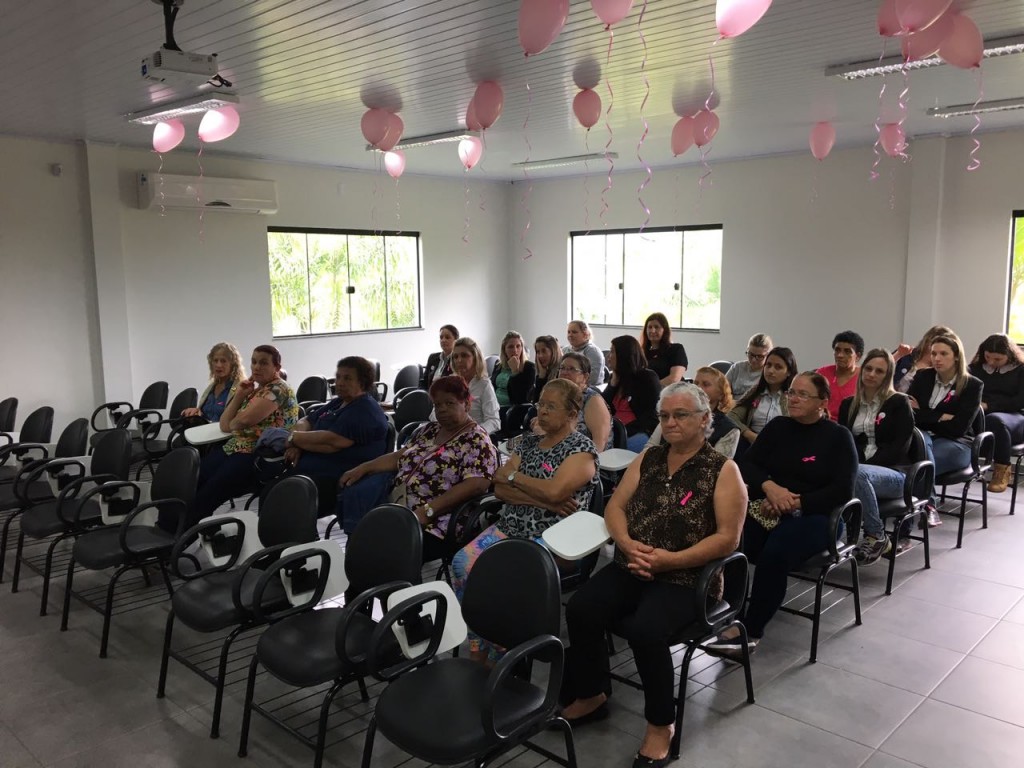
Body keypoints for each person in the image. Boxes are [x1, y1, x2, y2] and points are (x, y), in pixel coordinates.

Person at [560, 382, 746, 767]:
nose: (670, 423)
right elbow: (615, 507)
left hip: (688, 578)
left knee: (646, 630)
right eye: (664, 416)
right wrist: (627, 544)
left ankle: (661, 724)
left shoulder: (723, 470)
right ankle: (592, 693)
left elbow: (727, 538)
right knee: (581, 608)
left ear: (705, 420)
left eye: (681, 415)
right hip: (634, 562)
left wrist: (669, 560)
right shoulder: (648, 458)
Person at [708, 372, 857, 657]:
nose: (794, 399)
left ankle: (750, 631)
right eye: (791, 393)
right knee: (730, 538)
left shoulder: (838, 437)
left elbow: (842, 490)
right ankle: (727, 609)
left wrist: (795, 502)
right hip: (768, 506)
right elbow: (747, 465)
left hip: (818, 516)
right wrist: (770, 488)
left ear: (822, 402)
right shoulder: (778, 427)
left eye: (803, 394)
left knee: (775, 553)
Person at [451, 379, 598, 662]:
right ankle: (481, 643)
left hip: (551, 538)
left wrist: (515, 478)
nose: (542, 411)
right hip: (510, 527)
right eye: (541, 403)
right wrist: (541, 499)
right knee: (462, 563)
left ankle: (497, 653)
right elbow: (499, 486)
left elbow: (556, 491)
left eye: (551, 406)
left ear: (571, 414)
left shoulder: (581, 449)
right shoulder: (529, 441)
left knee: (497, 578)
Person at [338, 376, 498, 552]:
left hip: (438, 519)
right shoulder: (429, 430)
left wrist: (429, 510)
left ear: (466, 404)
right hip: (398, 502)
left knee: (377, 542)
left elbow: (476, 485)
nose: (442, 409)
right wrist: (364, 467)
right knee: (360, 507)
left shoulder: (477, 440)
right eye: (437, 404)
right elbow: (399, 456)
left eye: (450, 403)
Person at [185, 345, 299, 528]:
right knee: (196, 477)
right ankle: (177, 525)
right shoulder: (256, 390)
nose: (256, 367)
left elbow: (241, 422)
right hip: (236, 446)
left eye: (263, 363)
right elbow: (225, 425)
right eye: (254, 362)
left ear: (276, 367)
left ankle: (182, 531)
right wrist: (239, 395)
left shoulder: (278, 389)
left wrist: (235, 422)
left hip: (258, 453)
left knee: (211, 490)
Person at [278, 356, 389, 516]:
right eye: (338, 377)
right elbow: (306, 420)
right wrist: (297, 444)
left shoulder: (365, 410)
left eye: (347, 378)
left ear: (362, 382)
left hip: (338, 479)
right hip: (309, 470)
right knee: (272, 492)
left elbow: (330, 443)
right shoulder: (339, 402)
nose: (340, 382)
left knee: (283, 503)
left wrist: (292, 438)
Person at [838, 350, 915, 565]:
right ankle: (826, 535)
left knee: (857, 474)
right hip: (858, 471)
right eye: (869, 369)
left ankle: (876, 535)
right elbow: (844, 442)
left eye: (879, 371)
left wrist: (861, 466)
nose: (872, 374)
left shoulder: (899, 402)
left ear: (888, 375)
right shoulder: (849, 404)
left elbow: (900, 448)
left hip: (894, 473)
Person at [907, 333, 983, 526]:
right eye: (933, 353)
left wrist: (924, 414)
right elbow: (909, 414)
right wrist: (940, 416)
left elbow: (959, 428)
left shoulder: (972, 385)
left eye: (943, 354)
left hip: (958, 443)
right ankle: (929, 507)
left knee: (916, 464)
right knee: (919, 452)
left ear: (956, 356)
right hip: (924, 437)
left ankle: (912, 511)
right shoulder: (923, 376)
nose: (937, 359)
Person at [969, 334, 1024, 493]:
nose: (991, 362)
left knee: (995, 420)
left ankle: (1002, 469)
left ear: (1009, 355)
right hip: (982, 415)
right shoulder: (975, 369)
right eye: (988, 357)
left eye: (997, 359)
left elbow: (1019, 401)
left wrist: (989, 405)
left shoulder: (1021, 370)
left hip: (1014, 416)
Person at [647, 366, 740, 458]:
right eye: (696, 383)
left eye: (706, 384)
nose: (698, 387)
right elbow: (650, 447)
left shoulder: (729, 430)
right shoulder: (671, 412)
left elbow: (719, 465)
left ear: (721, 394)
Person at [727, 347, 798, 447]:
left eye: (778, 367)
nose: (770, 371)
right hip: (753, 445)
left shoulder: (793, 397)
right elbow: (732, 416)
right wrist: (749, 434)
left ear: (789, 372)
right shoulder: (755, 392)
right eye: (768, 365)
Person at [602, 336, 661, 453]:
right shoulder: (616, 377)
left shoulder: (647, 378)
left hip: (639, 431)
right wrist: (613, 384)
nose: (608, 356)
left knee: (610, 450)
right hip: (614, 429)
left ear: (623, 355)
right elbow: (602, 406)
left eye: (612, 352)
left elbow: (648, 417)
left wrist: (620, 432)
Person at [432, 336, 500, 434]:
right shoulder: (449, 382)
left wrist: (473, 433)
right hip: (447, 433)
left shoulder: (484, 384)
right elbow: (433, 414)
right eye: (455, 357)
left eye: (464, 355)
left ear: (475, 358)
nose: (459, 360)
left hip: (473, 436)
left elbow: (494, 421)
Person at [557, 351, 612, 451]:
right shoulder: (559, 396)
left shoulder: (592, 400)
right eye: (562, 368)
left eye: (571, 369)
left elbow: (600, 442)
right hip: (559, 451)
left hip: (584, 455)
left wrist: (585, 459)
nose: (564, 372)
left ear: (585, 377)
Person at [182, 342, 247, 423]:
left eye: (223, 361)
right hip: (203, 429)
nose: (218, 365)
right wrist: (196, 412)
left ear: (233, 364)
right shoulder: (211, 387)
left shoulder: (240, 388)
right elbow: (205, 415)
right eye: (215, 361)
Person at [816, 330, 865, 422]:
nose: (840, 355)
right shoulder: (822, 373)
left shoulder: (864, 377)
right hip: (822, 423)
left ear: (857, 356)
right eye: (837, 350)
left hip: (851, 425)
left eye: (847, 351)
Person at [893, 325, 955, 393]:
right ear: (928, 340)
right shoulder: (907, 353)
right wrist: (898, 354)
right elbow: (885, 368)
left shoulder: (941, 368)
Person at [639, 312, 688, 387]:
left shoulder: (676, 349)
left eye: (656, 327)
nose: (652, 331)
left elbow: (674, 379)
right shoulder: (642, 353)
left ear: (664, 330)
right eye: (649, 327)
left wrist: (651, 387)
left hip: (671, 391)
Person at [490, 330, 537, 407]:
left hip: (512, 408)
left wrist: (515, 371)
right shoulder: (498, 364)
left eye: (518, 346)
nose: (515, 351)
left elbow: (521, 398)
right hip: (494, 406)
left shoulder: (529, 367)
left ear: (522, 348)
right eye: (510, 347)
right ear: (504, 349)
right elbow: (492, 388)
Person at [726, 333, 773, 398]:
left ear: (769, 356)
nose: (753, 360)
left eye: (759, 356)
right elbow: (723, 389)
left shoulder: (769, 374)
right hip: (732, 402)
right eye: (751, 354)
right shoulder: (737, 367)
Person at [564, 320, 607, 387]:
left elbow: (593, 379)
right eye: (568, 332)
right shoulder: (565, 350)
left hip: (590, 388)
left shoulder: (593, 351)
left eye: (574, 332)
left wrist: (573, 387)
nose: (570, 335)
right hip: (568, 387)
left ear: (585, 334)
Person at [421, 324, 460, 388]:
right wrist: (421, 392)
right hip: (427, 393)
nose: (443, 340)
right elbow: (424, 381)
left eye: (447, 337)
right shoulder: (432, 357)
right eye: (441, 337)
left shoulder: (457, 360)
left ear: (456, 341)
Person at [532, 335, 563, 400]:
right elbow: (536, 401)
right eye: (538, 352)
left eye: (544, 351)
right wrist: (541, 376)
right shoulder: (543, 371)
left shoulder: (562, 371)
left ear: (553, 352)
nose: (540, 355)